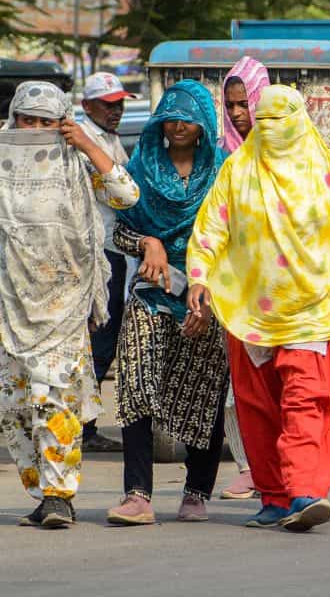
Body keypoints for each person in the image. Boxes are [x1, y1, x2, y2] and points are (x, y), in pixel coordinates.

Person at [186, 84, 330, 532]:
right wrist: (199, 276)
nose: (270, 129)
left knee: (305, 400)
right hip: (250, 311)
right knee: (258, 407)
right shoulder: (237, 170)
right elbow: (211, 227)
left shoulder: (324, 170)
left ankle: (305, 490)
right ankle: (273, 496)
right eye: (263, 121)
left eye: (279, 121)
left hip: (310, 311)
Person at [105, 80, 230, 526]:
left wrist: (208, 293)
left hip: (208, 295)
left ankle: (197, 491)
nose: (179, 126)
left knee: (204, 392)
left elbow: (236, 238)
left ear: (204, 125)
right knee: (135, 385)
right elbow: (118, 231)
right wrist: (147, 242)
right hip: (150, 293)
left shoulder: (223, 173)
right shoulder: (141, 167)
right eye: (171, 117)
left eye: (188, 119)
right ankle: (137, 494)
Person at [0, 81, 112, 528]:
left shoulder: (76, 161)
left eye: (45, 121)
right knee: (14, 409)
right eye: (27, 120)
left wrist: (86, 144)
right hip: (10, 304)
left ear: (62, 123)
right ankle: (41, 491)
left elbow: (125, 196)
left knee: (55, 402)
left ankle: (58, 496)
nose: (34, 129)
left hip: (64, 302)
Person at [213, 56, 270, 501]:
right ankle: (249, 465)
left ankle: (280, 465)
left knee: (277, 378)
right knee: (237, 382)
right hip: (232, 287)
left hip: (278, 285)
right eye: (230, 104)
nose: (236, 113)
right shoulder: (220, 157)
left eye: (244, 103)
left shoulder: (284, 152)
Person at [78, 72, 143, 453]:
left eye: (119, 104)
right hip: (96, 253)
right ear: (87, 106)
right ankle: (82, 429)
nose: (116, 110)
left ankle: (84, 426)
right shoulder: (84, 142)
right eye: (108, 104)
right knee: (100, 341)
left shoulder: (107, 138)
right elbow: (120, 196)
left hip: (113, 252)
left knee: (104, 341)